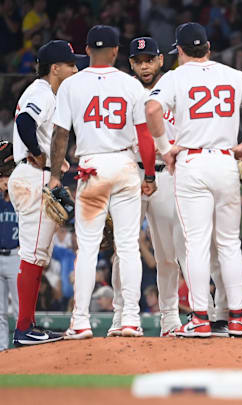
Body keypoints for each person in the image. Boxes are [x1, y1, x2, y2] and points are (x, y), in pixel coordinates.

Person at [146, 22, 242, 338]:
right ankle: (236, 319)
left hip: (192, 162)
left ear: (178, 51)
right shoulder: (230, 74)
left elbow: (152, 109)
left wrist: (165, 149)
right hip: (225, 161)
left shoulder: (175, 77)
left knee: (196, 244)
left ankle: (200, 318)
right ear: (208, 48)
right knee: (230, 244)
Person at [49, 26, 157, 340]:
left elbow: (60, 134)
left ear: (86, 50)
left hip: (92, 167)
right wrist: (148, 174)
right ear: (115, 51)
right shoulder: (131, 84)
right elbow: (145, 135)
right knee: (127, 248)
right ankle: (131, 320)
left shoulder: (72, 84)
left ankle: (80, 321)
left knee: (87, 249)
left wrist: (56, 175)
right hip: (124, 165)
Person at [105, 36, 186, 338]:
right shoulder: (124, 91)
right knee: (122, 251)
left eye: (149, 59)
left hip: (166, 175)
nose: (144, 65)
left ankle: (170, 317)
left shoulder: (175, 89)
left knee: (168, 253)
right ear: (131, 63)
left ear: (160, 60)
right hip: (131, 174)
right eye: (139, 61)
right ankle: (121, 314)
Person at [9, 40, 79, 346]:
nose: (75, 69)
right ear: (55, 68)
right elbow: (25, 122)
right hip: (32, 177)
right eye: (71, 65)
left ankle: (28, 325)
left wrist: (52, 158)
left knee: (38, 255)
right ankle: (24, 328)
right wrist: (38, 153)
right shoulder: (41, 91)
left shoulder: (48, 93)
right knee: (33, 254)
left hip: (35, 175)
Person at [0, 186, 19, 351]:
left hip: (15, 256)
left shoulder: (19, 203)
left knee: (19, 308)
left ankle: (21, 344)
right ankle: (2, 348)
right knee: (0, 310)